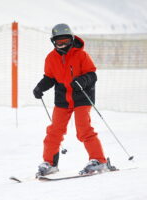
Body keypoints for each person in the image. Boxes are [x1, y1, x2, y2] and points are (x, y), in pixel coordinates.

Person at [33, 23, 108, 176]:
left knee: (83, 130)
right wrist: (40, 87)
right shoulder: (51, 58)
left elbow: (92, 75)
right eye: (59, 42)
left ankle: (99, 160)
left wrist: (82, 80)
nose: (63, 45)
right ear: (54, 42)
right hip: (63, 99)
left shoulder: (81, 55)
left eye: (66, 41)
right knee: (54, 132)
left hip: (82, 97)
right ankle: (50, 163)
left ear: (72, 39)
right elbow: (49, 78)